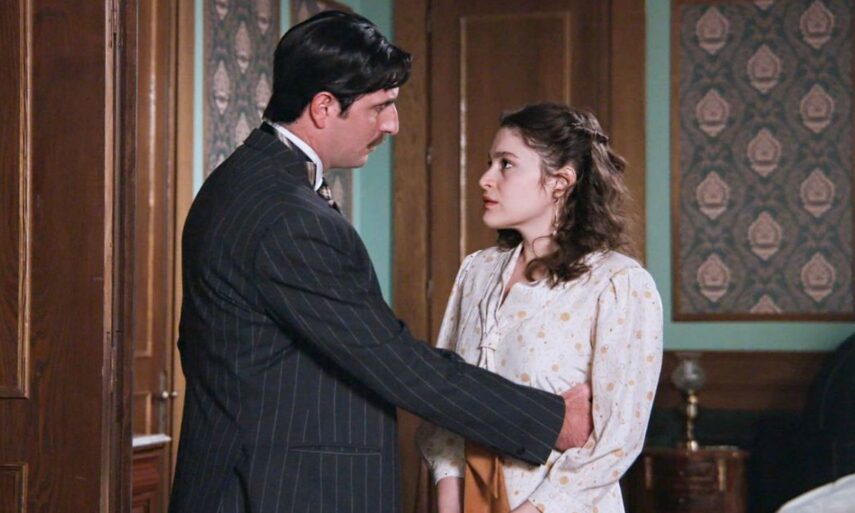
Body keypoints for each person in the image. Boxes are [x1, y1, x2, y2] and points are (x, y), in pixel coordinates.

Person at [169, 12, 593, 513]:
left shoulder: (247, 180)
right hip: (273, 490)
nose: (392, 124)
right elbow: (393, 361)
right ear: (324, 107)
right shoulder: (287, 214)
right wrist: (550, 421)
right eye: (380, 107)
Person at [417, 103, 663, 513]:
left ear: (560, 182)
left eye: (506, 164)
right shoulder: (476, 272)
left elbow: (616, 441)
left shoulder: (618, 284)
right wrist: (449, 496)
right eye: (489, 163)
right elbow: (445, 400)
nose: (485, 178)